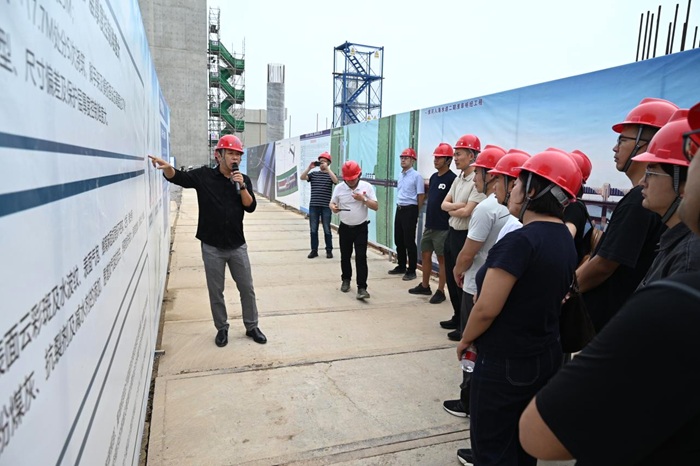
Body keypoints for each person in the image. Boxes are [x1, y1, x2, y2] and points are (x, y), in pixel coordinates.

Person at [519, 102, 700, 466]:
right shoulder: (675, 244)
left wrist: (563, 292)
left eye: (654, 170)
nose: (644, 180)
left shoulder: (682, 281)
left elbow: (540, 432)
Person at [456, 150, 582, 466]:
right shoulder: (564, 237)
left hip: (505, 362)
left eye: (518, 182)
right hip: (544, 355)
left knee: (493, 449)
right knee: (522, 448)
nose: (511, 188)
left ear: (534, 191)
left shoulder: (521, 241)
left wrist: (466, 338)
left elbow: (486, 308)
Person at [148, 135, 267, 347]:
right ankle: (222, 328)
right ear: (219, 155)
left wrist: (242, 186)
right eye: (231, 153)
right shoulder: (204, 176)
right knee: (216, 291)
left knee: (247, 288)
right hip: (212, 246)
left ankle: (252, 326)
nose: (235, 158)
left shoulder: (243, 179)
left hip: (237, 245)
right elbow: (180, 178)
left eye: (238, 155)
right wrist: (168, 169)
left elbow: (250, 207)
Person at [577, 98, 677, 332]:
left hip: (608, 323)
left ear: (649, 143)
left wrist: (567, 290)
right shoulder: (657, 201)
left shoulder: (638, 202)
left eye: (622, 140)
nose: (615, 148)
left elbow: (604, 264)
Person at [442, 145, 510, 421]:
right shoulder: (509, 211)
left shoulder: (486, 209)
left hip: (475, 284)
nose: (477, 178)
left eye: (480, 172)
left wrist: (458, 270)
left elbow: (468, 253)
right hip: (494, 284)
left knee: (471, 346)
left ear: (490, 175)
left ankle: (468, 400)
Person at [633, 109, 700, 286]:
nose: (642, 182)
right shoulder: (677, 244)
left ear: (684, 182)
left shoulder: (688, 260)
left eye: (650, 172)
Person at [439, 135, 486, 341]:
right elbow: (443, 204)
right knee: (451, 278)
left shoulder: (477, 181)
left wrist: (454, 208)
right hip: (452, 233)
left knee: (462, 280)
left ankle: (464, 324)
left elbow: (468, 212)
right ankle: (457, 315)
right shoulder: (458, 179)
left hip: (465, 235)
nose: (455, 158)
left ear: (471, 156)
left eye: (458, 154)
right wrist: (457, 206)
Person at [408, 143, 457, 304]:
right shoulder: (434, 177)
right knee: (425, 254)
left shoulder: (452, 179)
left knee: (442, 260)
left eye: (439, 158)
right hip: (429, 225)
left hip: (443, 228)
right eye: (435, 157)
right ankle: (425, 285)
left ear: (448, 160)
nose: (435, 160)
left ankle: (441, 290)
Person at [330, 160, 379, 300]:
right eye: (348, 179)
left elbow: (375, 206)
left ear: (359, 175)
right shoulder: (339, 188)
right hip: (345, 227)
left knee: (361, 257)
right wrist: (333, 207)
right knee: (345, 256)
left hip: (361, 228)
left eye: (353, 179)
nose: (351, 182)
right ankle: (346, 279)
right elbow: (332, 203)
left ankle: (362, 288)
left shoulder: (366, 187)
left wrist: (363, 199)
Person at [388, 148, 425, 280]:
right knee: (399, 239)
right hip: (400, 208)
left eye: (406, 158)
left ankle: (412, 270)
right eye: (402, 158)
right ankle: (401, 265)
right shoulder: (401, 175)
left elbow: (421, 195)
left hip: (410, 209)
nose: (403, 160)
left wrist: (416, 212)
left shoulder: (416, 176)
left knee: (409, 241)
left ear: (413, 160)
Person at [301, 151, 338, 259]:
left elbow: (335, 181)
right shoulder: (314, 174)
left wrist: (328, 169)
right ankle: (314, 250)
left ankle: (329, 250)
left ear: (328, 163)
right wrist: (309, 168)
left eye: (324, 162)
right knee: (313, 229)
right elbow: (302, 177)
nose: (322, 163)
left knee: (327, 229)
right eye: (320, 161)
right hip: (314, 205)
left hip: (326, 206)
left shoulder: (330, 175)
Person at [490, 149, 531, 242]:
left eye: (497, 179)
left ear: (512, 185)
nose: (494, 187)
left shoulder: (516, 226)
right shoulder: (516, 219)